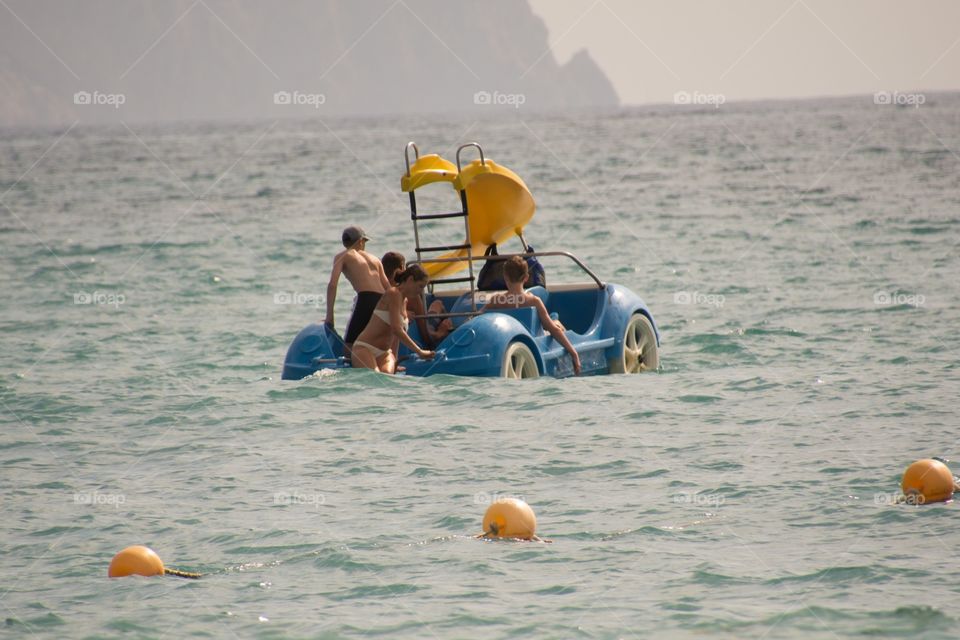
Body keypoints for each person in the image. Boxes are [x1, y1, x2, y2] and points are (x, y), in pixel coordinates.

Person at [483, 256, 581, 375]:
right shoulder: (533, 301)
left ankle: (555, 318)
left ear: (505, 277)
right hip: (535, 339)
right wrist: (573, 352)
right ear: (526, 278)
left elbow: (477, 317)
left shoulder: (496, 301)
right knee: (555, 323)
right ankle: (555, 318)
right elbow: (552, 330)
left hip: (507, 343)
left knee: (553, 320)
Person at [352, 264, 436, 373]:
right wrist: (419, 352)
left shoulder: (405, 301)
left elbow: (395, 337)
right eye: (420, 286)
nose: (420, 291)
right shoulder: (393, 293)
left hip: (385, 353)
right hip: (365, 348)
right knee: (375, 377)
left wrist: (395, 360)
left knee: (388, 380)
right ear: (410, 279)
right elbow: (396, 329)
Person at [324, 226, 390, 354]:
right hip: (383, 300)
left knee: (349, 346)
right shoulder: (375, 259)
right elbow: (389, 288)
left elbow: (332, 285)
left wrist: (330, 316)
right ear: (360, 241)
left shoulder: (342, 256)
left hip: (366, 299)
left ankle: (352, 368)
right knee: (373, 341)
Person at [381, 251, 453, 349]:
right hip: (426, 333)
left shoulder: (380, 289)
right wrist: (439, 334)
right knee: (438, 304)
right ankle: (446, 328)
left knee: (436, 305)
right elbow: (426, 334)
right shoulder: (409, 297)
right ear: (402, 268)